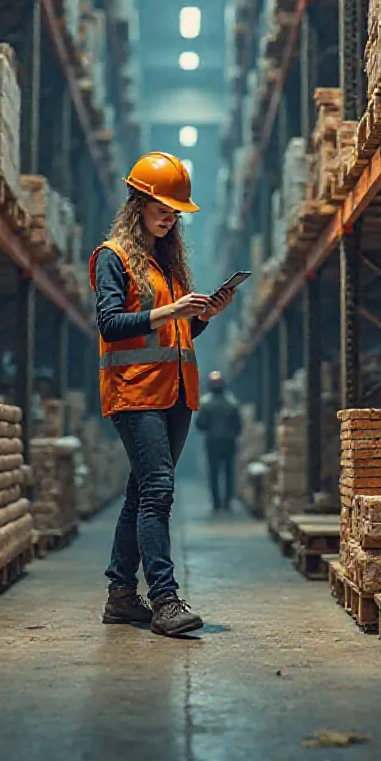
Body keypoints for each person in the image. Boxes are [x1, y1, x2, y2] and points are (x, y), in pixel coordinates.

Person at [89, 151, 235, 637]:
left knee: (140, 492)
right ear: (139, 203)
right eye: (163, 208)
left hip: (174, 394)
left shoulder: (166, 266)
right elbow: (111, 324)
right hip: (135, 394)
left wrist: (201, 317)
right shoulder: (114, 257)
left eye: (176, 212)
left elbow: (173, 336)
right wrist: (173, 311)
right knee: (158, 491)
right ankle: (165, 598)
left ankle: (121, 596)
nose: (170, 217)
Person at [196, 371, 242, 512]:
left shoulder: (206, 403)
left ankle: (216, 502)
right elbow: (238, 425)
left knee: (214, 471)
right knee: (229, 471)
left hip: (212, 442)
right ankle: (227, 501)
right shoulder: (231, 402)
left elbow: (200, 424)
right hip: (229, 441)